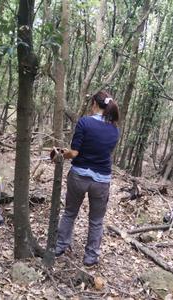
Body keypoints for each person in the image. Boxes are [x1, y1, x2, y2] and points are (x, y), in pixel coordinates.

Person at [55, 90, 119, 266]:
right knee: (96, 220)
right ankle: (91, 255)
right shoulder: (114, 129)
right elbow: (104, 152)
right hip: (102, 181)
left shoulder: (85, 123)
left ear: (95, 105)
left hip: (79, 176)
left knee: (69, 213)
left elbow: (74, 153)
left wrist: (61, 153)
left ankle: (60, 245)